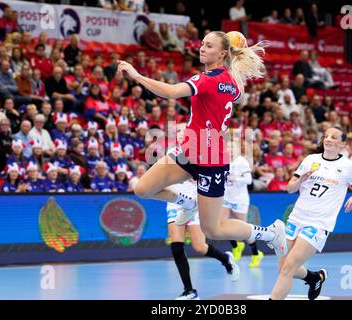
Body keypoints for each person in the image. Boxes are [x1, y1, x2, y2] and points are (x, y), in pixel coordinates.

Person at [117, 31, 287, 255]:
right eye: (202, 44)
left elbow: (171, 92)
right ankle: (188, 202)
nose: (202, 48)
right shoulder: (232, 83)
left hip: (211, 161)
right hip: (189, 150)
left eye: (208, 46)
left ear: (223, 53)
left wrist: (137, 75)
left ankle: (271, 234)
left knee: (213, 230)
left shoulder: (207, 79)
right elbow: (233, 92)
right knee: (143, 189)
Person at [269, 127, 352, 300]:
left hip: (318, 224)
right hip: (295, 219)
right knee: (283, 267)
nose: (328, 139)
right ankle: (314, 278)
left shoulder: (348, 166)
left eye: (334, 137)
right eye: (326, 136)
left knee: (288, 268)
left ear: (342, 144)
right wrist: (300, 180)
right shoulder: (311, 160)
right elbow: (290, 188)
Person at [166, 123, 240, 300]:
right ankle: (189, 291)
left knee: (199, 247)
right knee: (176, 246)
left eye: (184, 131)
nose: (180, 133)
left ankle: (225, 259)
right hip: (175, 201)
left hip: (194, 202)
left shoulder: (200, 153)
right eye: (178, 131)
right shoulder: (171, 152)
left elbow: (209, 177)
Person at [223, 137, 264, 268]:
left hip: (239, 199)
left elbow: (248, 180)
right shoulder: (224, 160)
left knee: (244, 229)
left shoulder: (242, 162)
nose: (229, 149)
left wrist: (234, 178)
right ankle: (236, 245)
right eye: (227, 147)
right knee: (221, 224)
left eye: (232, 147)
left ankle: (256, 253)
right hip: (226, 198)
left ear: (237, 149)